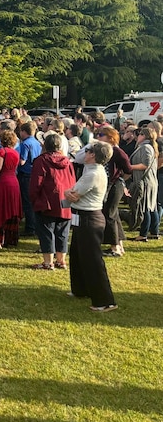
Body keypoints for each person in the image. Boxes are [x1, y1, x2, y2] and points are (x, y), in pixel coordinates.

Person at [64, 141, 117, 312]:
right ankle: (80, 289)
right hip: (82, 217)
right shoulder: (91, 171)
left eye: (86, 151)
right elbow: (73, 193)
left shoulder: (93, 174)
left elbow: (73, 195)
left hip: (90, 218)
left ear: (93, 155)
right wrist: (69, 193)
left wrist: (66, 193)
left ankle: (104, 300)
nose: (84, 153)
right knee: (78, 255)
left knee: (92, 259)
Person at [28, 134, 75, 270]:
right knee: (62, 231)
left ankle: (48, 262)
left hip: (47, 199)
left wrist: (34, 199)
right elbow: (72, 180)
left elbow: (36, 183)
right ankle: (61, 260)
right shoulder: (67, 162)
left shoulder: (41, 161)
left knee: (46, 230)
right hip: (64, 199)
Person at [94, 127, 131, 257]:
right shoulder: (105, 150)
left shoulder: (117, 151)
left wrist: (119, 180)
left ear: (110, 137)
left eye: (101, 135)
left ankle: (114, 248)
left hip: (115, 185)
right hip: (110, 184)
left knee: (109, 213)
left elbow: (128, 170)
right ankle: (119, 246)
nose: (98, 137)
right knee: (113, 214)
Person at [127, 127, 159, 242]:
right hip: (149, 180)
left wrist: (130, 167)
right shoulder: (147, 146)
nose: (137, 136)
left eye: (139, 134)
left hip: (145, 181)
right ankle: (154, 232)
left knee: (145, 207)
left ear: (144, 136)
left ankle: (143, 234)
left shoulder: (146, 147)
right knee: (151, 207)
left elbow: (145, 164)